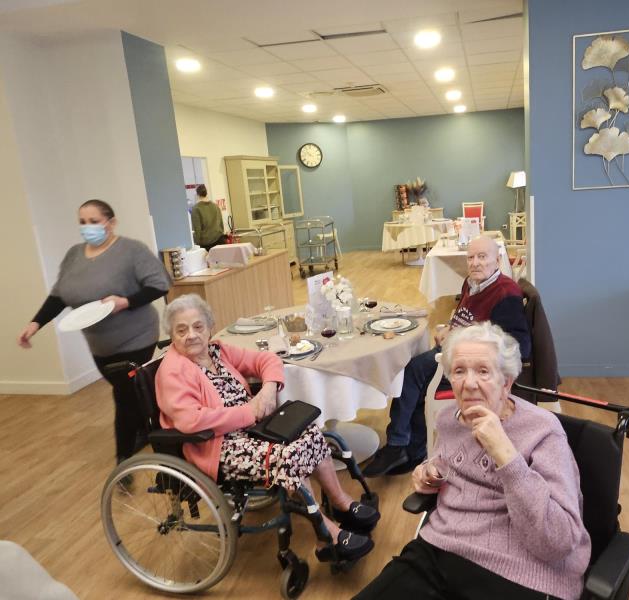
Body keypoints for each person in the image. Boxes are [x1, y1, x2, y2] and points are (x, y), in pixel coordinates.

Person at [355, 323, 590, 600]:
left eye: (483, 371)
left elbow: (558, 541)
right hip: (438, 552)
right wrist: (428, 472)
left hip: (519, 571)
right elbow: (445, 463)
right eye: (459, 371)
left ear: (506, 382)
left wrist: (504, 453)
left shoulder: (543, 431)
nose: (468, 383)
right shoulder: (448, 418)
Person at [155, 294, 379, 562]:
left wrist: (269, 389)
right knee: (288, 456)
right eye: (181, 330)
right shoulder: (172, 371)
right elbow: (191, 421)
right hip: (218, 445)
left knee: (309, 432)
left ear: (210, 327)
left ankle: (340, 502)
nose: (191, 335)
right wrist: (249, 412)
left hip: (253, 428)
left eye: (198, 326)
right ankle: (326, 536)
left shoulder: (217, 351)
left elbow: (267, 360)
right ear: (172, 335)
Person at [17, 199, 171, 464]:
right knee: (133, 393)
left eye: (94, 221)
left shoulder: (132, 250)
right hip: (99, 343)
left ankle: (124, 459)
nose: (87, 227)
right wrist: (35, 324)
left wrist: (125, 302)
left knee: (124, 395)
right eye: (82, 222)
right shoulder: (74, 255)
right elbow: (59, 295)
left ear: (111, 223)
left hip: (137, 336)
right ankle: (149, 427)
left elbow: (160, 284)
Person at [363, 235, 531, 476]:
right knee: (416, 379)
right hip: (452, 350)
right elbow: (466, 318)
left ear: (497, 260)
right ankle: (414, 449)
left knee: (411, 372)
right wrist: (449, 328)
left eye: (482, 257)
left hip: (467, 366)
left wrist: (467, 339)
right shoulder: (471, 283)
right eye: (471, 257)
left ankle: (397, 445)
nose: (475, 263)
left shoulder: (506, 294)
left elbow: (520, 346)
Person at [191, 184, 226, 251]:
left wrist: (196, 246)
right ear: (207, 193)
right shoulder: (215, 206)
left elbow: (197, 230)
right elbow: (221, 225)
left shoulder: (196, 209)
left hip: (207, 246)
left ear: (197, 195)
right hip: (220, 241)